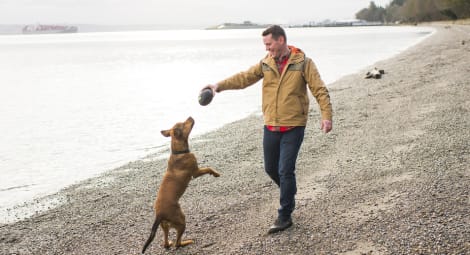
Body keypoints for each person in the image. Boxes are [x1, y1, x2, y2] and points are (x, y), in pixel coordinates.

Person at [202, 25, 332, 234]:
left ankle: (284, 215)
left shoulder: (303, 63)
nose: (266, 49)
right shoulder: (266, 64)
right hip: (271, 125)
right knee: (271, 169)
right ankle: (289, 193)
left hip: (293, 125)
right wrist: (218, 86)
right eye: (265, 45)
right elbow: (244, 78)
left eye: (268, 44)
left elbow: (319, 90)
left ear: (281, 40)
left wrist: (326, 116)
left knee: (285, 169)